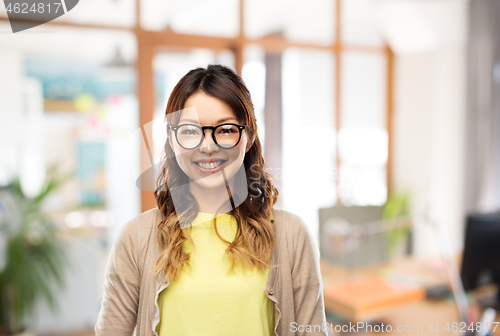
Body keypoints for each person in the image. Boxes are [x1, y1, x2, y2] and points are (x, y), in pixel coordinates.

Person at [95, 64, 328, 336]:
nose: (208, 146)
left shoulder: (291, 235)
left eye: (226, 130)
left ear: (249, 137)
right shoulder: (136, 237)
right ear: (172, 138)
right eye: (191, 131)